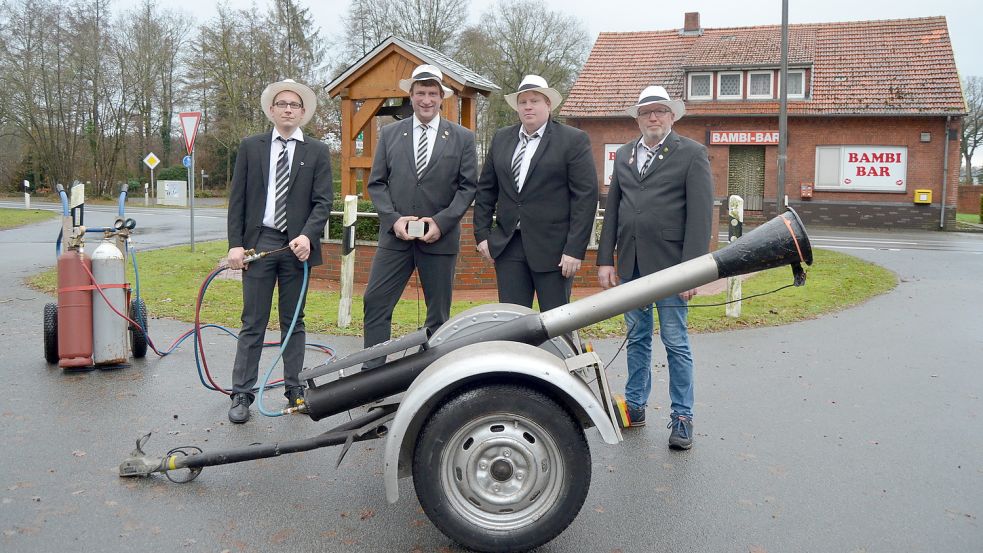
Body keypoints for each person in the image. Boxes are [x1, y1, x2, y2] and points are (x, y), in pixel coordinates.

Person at [596, 85, 714, 449]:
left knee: (676, 342)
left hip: (671, 267)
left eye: (660, 111)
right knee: (636, 339)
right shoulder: (626, 154)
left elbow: (700, 215)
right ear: (637, 118)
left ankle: (682, 417)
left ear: (672, 116)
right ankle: (635, 406)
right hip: (630, 263)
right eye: (646, 112)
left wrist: (692, 270)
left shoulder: (692, 154)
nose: (653, 118)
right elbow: (613, 209)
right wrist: (604, 259)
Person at [226, 79, 333, 423]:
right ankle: (241, 393)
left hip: (296, 247)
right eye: (282, 104)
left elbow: (323, 202)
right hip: (260, 244)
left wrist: (308, 235)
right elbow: (238, 200)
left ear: (303, 113)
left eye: (295, 105)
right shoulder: (251, 147)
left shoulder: (316, 151)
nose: (288, 109)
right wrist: (235, 245)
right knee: (253, 321)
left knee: (293, 322)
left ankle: (295, 389)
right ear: (271, 110)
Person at [362, 64, 477, 368]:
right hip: (395, 237)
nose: (426, 100)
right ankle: (372, 377)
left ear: (442, 98)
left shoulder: (462, 138)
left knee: (438, 315)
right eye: (420, 93)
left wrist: (441, 222)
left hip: (439, 239)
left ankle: (433, 375)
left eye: (432, 94)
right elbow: (377, 183)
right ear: (410, 96)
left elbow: (468, 188)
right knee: (375, 302)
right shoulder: (389, 134)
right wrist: (393, 219)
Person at [473, 75, 597, 311]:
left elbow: (585, 197)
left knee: (556, 324)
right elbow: (486, 190)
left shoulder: (573, 140)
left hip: (555, 251)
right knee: (512, 323)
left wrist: (574, 249)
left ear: (548, 105)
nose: (528, 106)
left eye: (535, 100)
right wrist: (481, 235)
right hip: (508, 246)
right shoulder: (501, 138)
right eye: (523, 102)